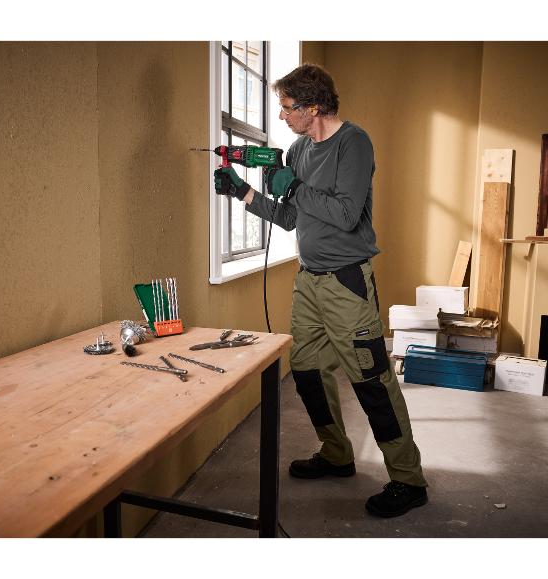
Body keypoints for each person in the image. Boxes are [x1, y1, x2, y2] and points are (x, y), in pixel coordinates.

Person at [213, 63, 428, 518]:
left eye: (288, 108)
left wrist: (297, 186)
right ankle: (336, 454)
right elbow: (293, 218)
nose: (282, 116)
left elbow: (348, 213)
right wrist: (243, 195)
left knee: (371, 380)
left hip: (347, 282)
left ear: (313, 108)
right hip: (308, 281)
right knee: (307, 371)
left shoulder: (354, 143)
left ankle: (408, 479)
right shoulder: (297, 149)